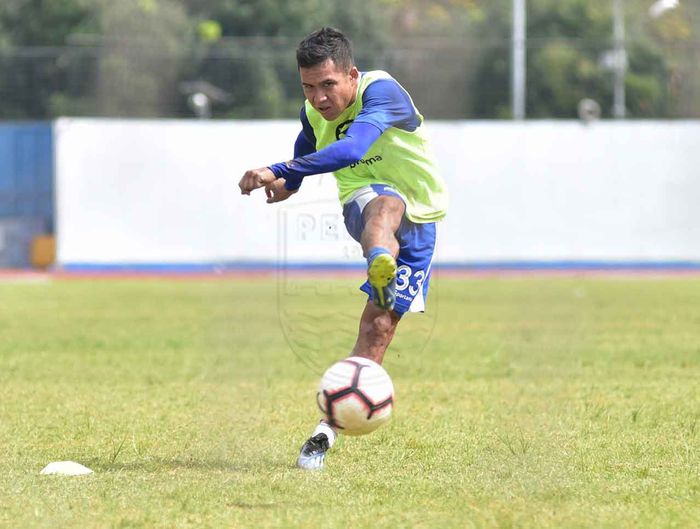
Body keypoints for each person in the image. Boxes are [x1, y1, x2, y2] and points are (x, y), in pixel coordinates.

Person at [238, 27, 448, 470]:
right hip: (364, 199)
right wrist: (288, 184)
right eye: (308, 87)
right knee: (385, 204)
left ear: (351, 75)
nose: (318, 98)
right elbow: (309, 144)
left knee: (378, 330)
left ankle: (324, 432)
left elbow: (352, 147)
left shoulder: (382, 92)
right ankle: (379, 260)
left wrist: (278, 171)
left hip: (423, 219)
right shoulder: (312, 113)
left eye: (327, 85)